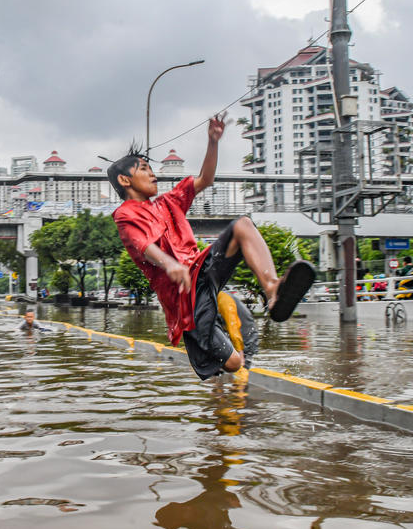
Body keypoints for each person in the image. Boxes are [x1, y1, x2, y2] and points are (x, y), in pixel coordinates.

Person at [108, 113, 315, 380]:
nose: (153, 173)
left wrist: (213, 141)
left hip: (200, 268)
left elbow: (205, 178)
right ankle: (224, 344)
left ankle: (273, 289)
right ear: (125, 181)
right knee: (233, 363)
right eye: (144, 169)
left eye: (151, 168)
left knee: (242, 225)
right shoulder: (125, 214)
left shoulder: (168, 202)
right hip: (183, 298)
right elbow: (143, 245)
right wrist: (170, 264)